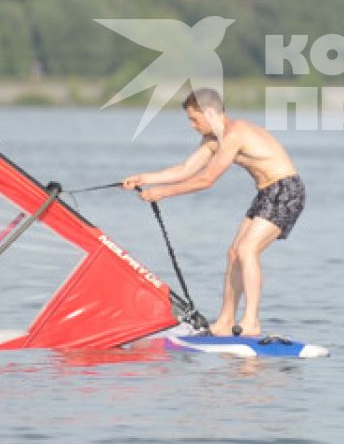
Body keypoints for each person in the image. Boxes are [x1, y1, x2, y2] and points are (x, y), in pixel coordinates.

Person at [122, 88, 305, 337]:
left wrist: (162, 193)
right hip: (266, 194)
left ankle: (251, 321)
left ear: (210, 113)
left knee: (246, 250)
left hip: (286, 190)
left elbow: (206, 179)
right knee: (233, 254)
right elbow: (186, 169)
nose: (191, 125)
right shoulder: (213, 140)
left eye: (193, 119)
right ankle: (226, 321)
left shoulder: (235, 134)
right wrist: (145, 178)